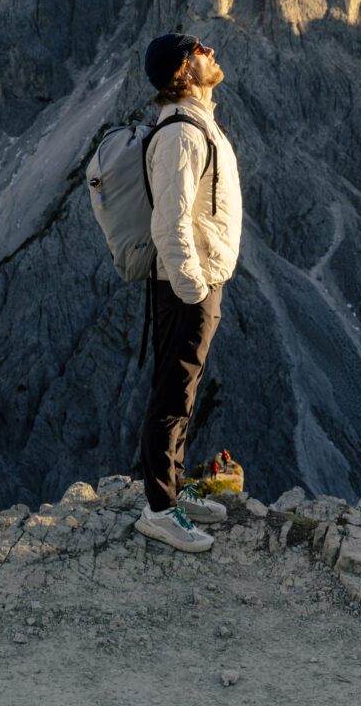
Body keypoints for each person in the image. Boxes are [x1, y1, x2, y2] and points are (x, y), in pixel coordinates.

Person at [134, 33, 242, 552]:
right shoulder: (181, 134)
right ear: (183, 69)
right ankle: (158, 510)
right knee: (172, 394)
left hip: (197, 278)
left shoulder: (196, 123)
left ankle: (174, 492)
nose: (211, 51)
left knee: (184, 388)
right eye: (200, 48)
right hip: (188, 284)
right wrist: (194, 288)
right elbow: (169, 223)